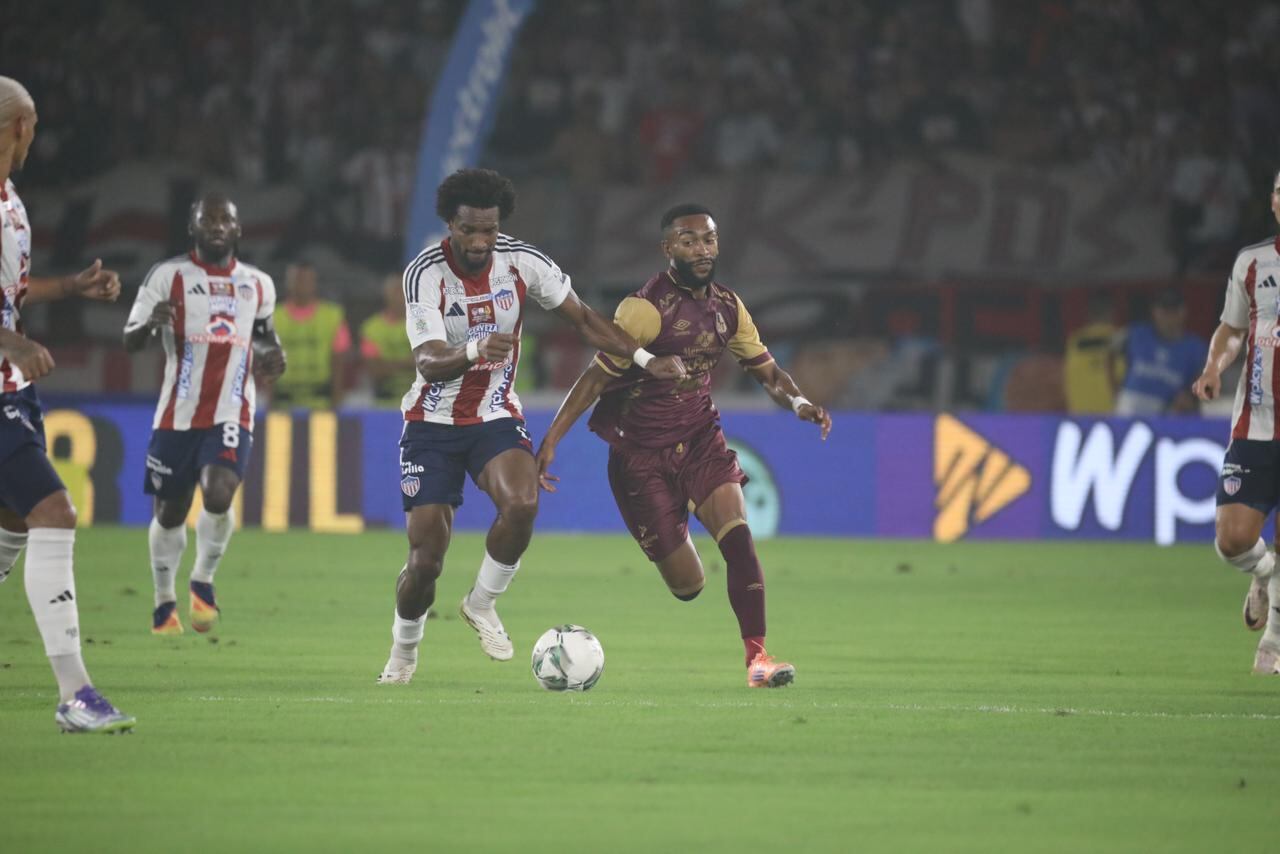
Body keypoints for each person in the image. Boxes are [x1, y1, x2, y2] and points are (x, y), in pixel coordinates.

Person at [376, 168, 685, 685]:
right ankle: (403, 653)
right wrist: (475, 349)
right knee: (426, 563)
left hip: (494, 414)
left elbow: (584, 320)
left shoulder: (522, 262)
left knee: (522, 503)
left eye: (490, 230)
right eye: (469, 230)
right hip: (430, 423)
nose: (481, 241)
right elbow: (427, 361)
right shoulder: (425, 274)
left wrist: (645, 359)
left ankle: (481, 603)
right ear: (450, 224)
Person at [535, 203, 833, 688]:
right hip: (640, 457)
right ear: (668, 248)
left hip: (699, 439)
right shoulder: (643, 310)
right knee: (688, 585)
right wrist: (550, 440)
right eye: (688, 241)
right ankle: (676, 526)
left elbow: (769, 373)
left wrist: (799, 402)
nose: (701, 249)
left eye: (708, 239)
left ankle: (757, 659)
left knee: (739, 540)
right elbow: (594, 379)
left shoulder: (729, 308)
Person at [0, 77, 135, 732]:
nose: (36, 135)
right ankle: (75, 693)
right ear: (18, 126)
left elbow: (14, 293)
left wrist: (71, 287)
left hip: (12, 388)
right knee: (55, 511)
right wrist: (14, 344)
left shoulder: (13, 203)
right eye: (33, 123)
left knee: (14, 523)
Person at [123, 193, 286, 636]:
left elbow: (265, 337)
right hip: (176, 414)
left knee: (218, 493)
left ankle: (203, 580)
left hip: (233, 410)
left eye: (225, 219)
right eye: (207, 219)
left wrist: (273, 356)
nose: (217, 226)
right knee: (170, 512)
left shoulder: (258, 284)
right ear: (192, 228)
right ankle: (163, 599)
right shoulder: (167, 276)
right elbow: (130, 340)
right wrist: (150, 324)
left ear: (238, 230)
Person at [1191, 167, 1280, 675]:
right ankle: (1263, 573)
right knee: (1232, 539)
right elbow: (1232, 329)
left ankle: (1273, 645)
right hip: (1256, 425)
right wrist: (1213, 367)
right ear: (1272, 202)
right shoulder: (1253, 261)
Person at [1114, 287, 1207, 416]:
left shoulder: (1195, 348)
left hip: (1165, 412)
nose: (1168, 317)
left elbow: (1203, 386)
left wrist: (1189, 398)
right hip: (1129, 405)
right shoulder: (1136, 333)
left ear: (1182, 312)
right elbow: (1109, 352)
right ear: (1154, 311)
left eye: (1173, 311)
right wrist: (1114, 389)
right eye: (1163, 311)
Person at [271, 262, 350, 409]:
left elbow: (339, 361)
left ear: (315, 283)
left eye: (307, 280)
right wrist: (270, 403)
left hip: (321, 403)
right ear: (288, 283)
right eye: (298, 279)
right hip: (283, 404)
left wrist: (337, 398)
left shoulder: (333, 316)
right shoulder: (274, 317)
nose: (302, 284)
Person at [359, 274, 416, 405]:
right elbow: (374, 371)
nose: (402, 296)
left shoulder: (422, 324)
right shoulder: (371, 328)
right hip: (384, 403)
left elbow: (429, 364)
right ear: (387, 294)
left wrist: (387, 365)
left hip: (419, 402)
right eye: (397, 291)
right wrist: (407, 363)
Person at [1063, 291, 1121, 414]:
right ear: (1112, 313)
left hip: (1080, 415)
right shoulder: (1120, 339)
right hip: (1112, 416)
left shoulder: (1074, 342)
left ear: (1089, 315)